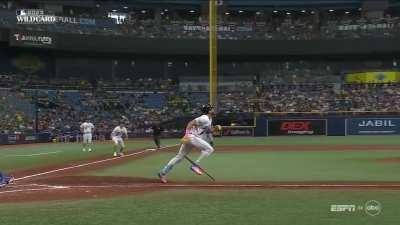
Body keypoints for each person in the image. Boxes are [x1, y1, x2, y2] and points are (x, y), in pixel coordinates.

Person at [158, 104, 215, 183]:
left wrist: (213, 133)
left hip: (192, 139)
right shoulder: (204, 118)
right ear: (208, 110)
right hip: (192, 137)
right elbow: (190, 123)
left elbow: (207, 130)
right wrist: (186, 135)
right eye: (212, 109)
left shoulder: (209, 119)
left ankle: (162, 173)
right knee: (209, 149)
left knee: (179, 157)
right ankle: (195, 165)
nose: (213, 110)